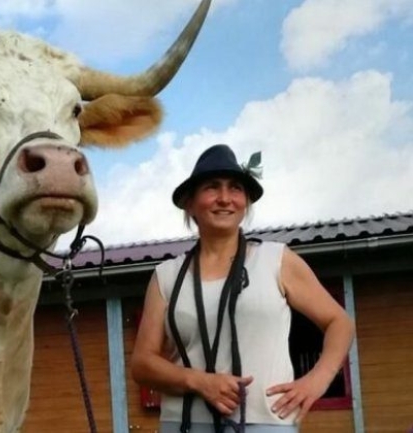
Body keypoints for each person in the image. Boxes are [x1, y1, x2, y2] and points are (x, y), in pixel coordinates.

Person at [130, 144, 355, 433]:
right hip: (185, 423)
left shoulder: (276, 260)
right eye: (212, 187)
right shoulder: (167, 276)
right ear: (190, 203)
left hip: (266, 422)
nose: (225, 198)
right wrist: (200, 381)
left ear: (245, 202)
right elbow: (142, 363)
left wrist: (317, 380)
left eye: (235, 188)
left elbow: (339, 322)